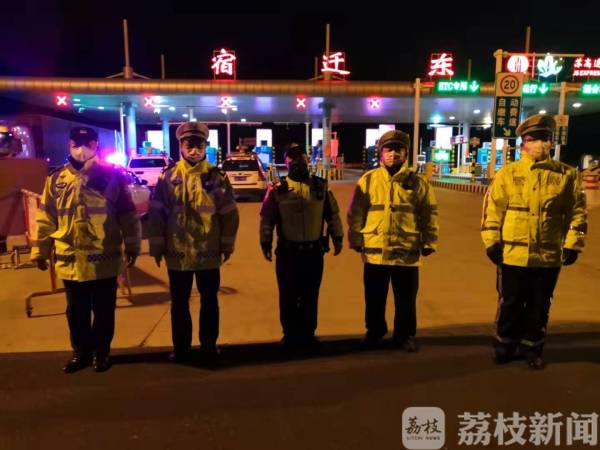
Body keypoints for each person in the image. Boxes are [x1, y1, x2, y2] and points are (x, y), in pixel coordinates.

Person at [31, 126, 141, 373]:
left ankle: (101, 353)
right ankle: (81, 353)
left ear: (96, 146)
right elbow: (46, 218)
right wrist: (40, 251)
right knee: (76, 312)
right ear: (69, 145)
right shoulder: (56, 179)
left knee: (103, 311)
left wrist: (133, 245)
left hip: (104, 259)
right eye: (76, 143)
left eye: (88, 144)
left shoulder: (112, 176)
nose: (81, 149)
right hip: (71, 260)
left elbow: (128, 215)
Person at [481, 114, 587, 370]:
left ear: (552, 142)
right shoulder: (507, 174)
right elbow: (492, 211)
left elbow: (577, 212)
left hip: (548, 258)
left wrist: (573, 244)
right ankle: (505, 345)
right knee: (510, 304)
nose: (540, 143)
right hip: (512, 256)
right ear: (523, 143)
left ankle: (532, 348)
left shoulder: (567, 175)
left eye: (545, 138)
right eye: (534, 138)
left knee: (540, 307)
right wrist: (491, 242)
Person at [149, 122, 239, 363]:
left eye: (199, 144)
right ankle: (182, 349)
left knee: (209, 303)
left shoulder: (216, 177)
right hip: (177, 253)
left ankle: (209, 346)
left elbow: (229, 213)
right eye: (189, 144)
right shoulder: (168, 177)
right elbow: (156, 214)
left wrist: (227, 245)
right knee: (179, 304)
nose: (194, 149)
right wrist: (156, 247)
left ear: (206, 146)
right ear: (180, 145)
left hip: (208, 252)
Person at [347, 130, 438, 352]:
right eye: (389, 149)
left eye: (399, 149)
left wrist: (429, 242)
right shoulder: (368, 180)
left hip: (406, 252)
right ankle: (374, 332)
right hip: (375, 253)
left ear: (406, 153)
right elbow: (356, 212)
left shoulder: (418, 182)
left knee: (406, 299)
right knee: (374, 298)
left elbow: (429, 213)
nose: (393, 154)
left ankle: (405, 335)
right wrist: (355, 237)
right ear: (381, 152)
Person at [259, 143, 343, 352]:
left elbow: (332, 215)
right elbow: (267, 219)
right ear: (286, 164)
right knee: (288, 296)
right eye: (293, 161)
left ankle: (308, 335)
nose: (298, 164)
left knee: (310, 296)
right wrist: (265, 242)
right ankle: (289, 336)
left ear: (308, 161)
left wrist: (338, 237)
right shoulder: (277, 189)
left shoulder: (321, 187)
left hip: (313, 253)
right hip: (288, 254)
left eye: (302, 160)